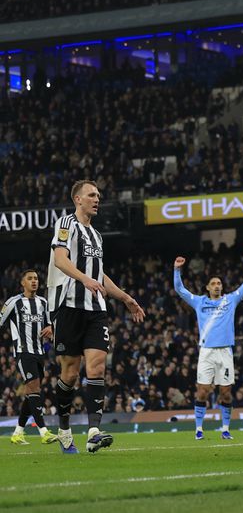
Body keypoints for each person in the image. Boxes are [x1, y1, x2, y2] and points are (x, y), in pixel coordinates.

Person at [47, 180, 146, 454]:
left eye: (98, 195)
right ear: (78, 199)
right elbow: (60, 260)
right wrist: (85, 279)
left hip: (96, 309)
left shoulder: (97, 236)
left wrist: (125, 298)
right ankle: (64, 430)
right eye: (91, 195)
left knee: (97, 367)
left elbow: (99, 274)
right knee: (69, 374)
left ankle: (93, 432)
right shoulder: (66, 224)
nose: (97, 199)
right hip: (69, 307)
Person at [174, 249, 243, 440]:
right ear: (207, 287)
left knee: (226, 393)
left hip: (225, 352)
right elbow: (180, 290)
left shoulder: (230, 300)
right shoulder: (199, 302)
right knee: (202, 391)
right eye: (213, 283)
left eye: (219, 283)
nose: (216, 286)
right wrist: (177, 270)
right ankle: (199, 429)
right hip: (206, 352)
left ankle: (225, 429)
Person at [1, 270, 58, 445]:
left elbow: (49, 324)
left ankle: (18, 433)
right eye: (30, 279)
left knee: (32, 392)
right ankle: (44, 432)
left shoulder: (43, 302)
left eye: (36, 279)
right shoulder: (13, 302)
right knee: (34, 389)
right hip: (23, 351)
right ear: (22, 283)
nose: (34, 281)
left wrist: (50, 328)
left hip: (39, 352)